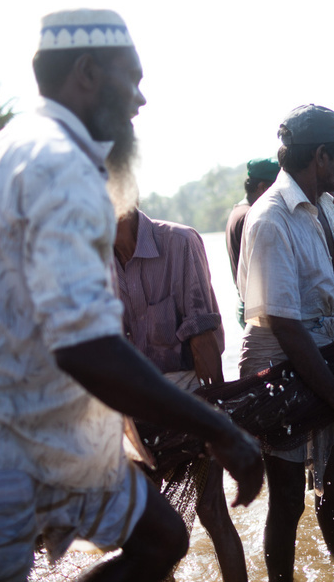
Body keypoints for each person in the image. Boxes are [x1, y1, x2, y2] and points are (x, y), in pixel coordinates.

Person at [0, 9, 263, 582]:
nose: (140, 100)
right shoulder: (59, 165)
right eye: (132, 78)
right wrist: (221, 431)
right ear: (86, 72)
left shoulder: (4, 153)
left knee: (162, 538)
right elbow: (86, 348)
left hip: (49, 441)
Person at [236, 104, 334, 581]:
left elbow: (323, 297)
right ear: (320, 156)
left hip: (318, 352)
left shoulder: (322, 209)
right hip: (281, 368)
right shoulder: (271, 220)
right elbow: (285, 324)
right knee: (286, 498)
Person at [114, 206, 247, 581]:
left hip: (189, 398)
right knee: (145, 525)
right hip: (137, 408)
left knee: (211, 511)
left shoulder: (178, 241)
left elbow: (204, 339)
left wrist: (219, 422)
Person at [226, 157, 280, 327]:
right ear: (263, 187)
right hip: (255, 308)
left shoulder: (240, 211)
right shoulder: (250, 217)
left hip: (247, 304)